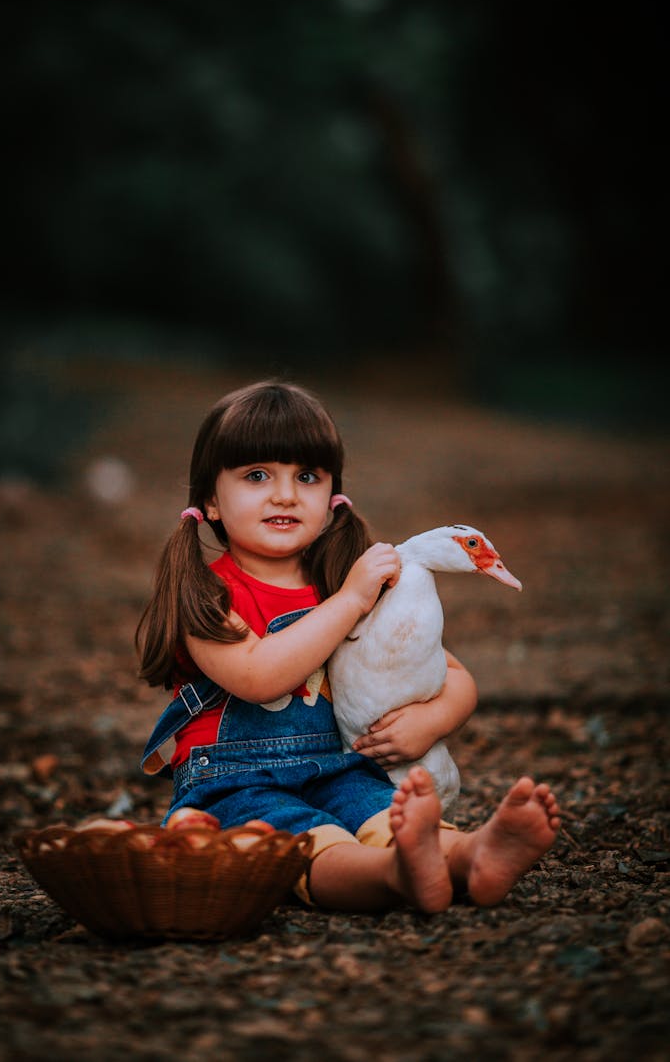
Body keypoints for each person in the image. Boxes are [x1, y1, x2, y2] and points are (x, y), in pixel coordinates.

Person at [136, 380, 560, 912]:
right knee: (313, 845)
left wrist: (431, 721)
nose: (286, 494)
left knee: (387, 813)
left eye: (307, 476)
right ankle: (395, 875)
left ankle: (471, 854)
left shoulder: (343, 579)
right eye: (257, 475)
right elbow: (259, 676)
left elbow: (452, 673)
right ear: (210, 502)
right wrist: (350, 601)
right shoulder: (208, 593)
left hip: (339, 765)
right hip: (235, 783)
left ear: (333, 497)